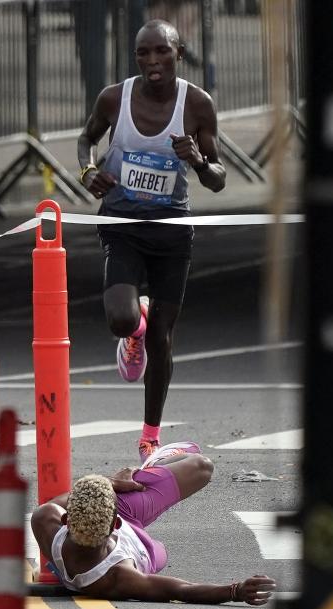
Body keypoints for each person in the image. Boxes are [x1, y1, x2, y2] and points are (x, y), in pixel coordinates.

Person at [76, 19, 226, 462]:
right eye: (143, 53)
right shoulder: (113, 98)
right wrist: (87, 172)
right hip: (122, 223)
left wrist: (198, 160)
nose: (152, 61)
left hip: (172, 230)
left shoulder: (197, 105)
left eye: (161, 51)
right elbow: (86, 138)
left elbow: (217, 179)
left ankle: (150, 436)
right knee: (122, 320)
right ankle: (133, 327)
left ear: (179, 53)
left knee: (163, 336)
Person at [30, 449, 275, 604]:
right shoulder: (118, 577)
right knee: (163, 549)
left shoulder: (44, 518)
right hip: (145, 549)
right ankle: (144, 473)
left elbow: (75, 499)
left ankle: (142, 469)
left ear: (65, 520)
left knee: (201, 466)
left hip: (119, 509)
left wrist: (112, 483)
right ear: (116, 525)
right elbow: (182, 590)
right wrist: (235, 590)